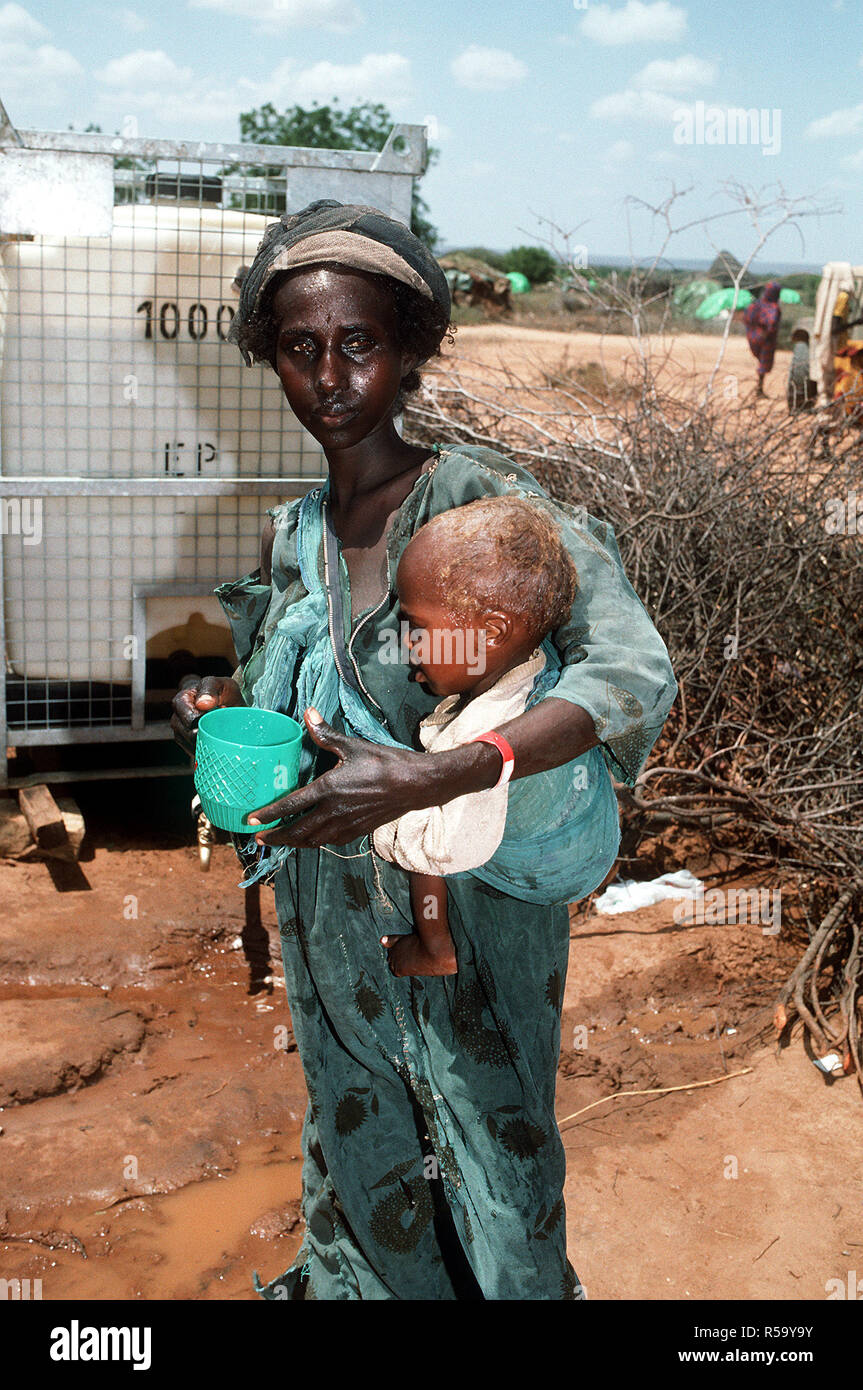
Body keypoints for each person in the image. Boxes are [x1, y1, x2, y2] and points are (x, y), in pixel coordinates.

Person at [171, 198, 678, 1301]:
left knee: (496, 1173)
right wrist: (222, 698)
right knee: (364, 1176)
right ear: (275, 361)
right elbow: (291, 699)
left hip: (475, 929)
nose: (331, 378)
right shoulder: (293, 531)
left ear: (408, 350)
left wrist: (448, 767)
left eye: (359, 343)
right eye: (301, 350)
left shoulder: (481, 499)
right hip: (330, 935)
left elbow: (630, 667)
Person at [372, 494, 581, 978]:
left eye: (417, 628)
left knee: (422, 841)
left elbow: (443, 849)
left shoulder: (474, 733)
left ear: (492, 631)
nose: (405, 645)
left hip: (475, 889)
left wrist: (389, 813)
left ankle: (432, 946)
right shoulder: (533, 669)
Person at [742, 280, 782, 397]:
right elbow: (772, 323)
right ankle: (759, 389)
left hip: (753, 338)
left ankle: (759, 388)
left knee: (760, 362)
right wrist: (767, 332)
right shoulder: (773, 308)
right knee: (763, 365)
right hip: (766, 340)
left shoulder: (755, 304)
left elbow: (746, 318)